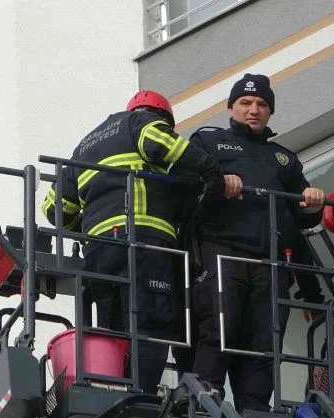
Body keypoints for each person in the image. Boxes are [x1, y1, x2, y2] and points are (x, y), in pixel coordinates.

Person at [42, 90, 242, 394]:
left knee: (115, 328)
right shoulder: (142, 122)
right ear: (161, 118)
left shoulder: (83, 147)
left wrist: (90, 223)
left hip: (99, 250)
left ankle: (116, 391)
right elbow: (161, 143)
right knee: (151, 324)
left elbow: (54, 210)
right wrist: (209, 169)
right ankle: (142, 400)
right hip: (144, 240)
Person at [189, 74, 325, 412]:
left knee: (264, 344)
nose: (254, 110)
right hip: (223, 250)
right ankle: (205, 406)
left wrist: (314, 202)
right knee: (220, 328)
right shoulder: (208, 142)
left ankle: (255, 415)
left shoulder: (284, 159)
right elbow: (185, 191)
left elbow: (300, 220)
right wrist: (216, 183)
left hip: (271, 261)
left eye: (262, 105)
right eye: (246, 103)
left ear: (270, 112)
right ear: (231, 108)